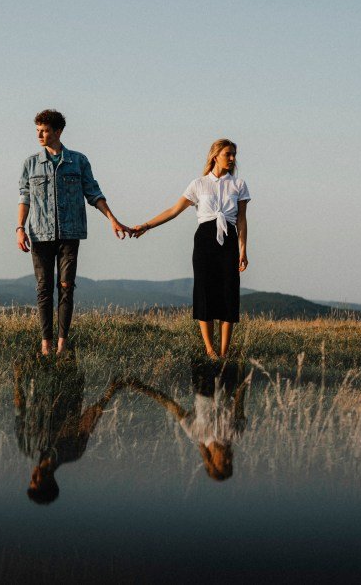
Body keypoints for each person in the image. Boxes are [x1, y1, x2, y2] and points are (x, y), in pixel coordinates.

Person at [17, 109, 133, 355]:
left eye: (45, 130)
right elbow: (24, 198)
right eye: (37, 130)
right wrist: (19, 228)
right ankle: (45, 343)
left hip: (70, 233)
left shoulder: (78, 161)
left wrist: (112, 219)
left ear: (57, 132)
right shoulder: (30, 163)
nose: (40, 134)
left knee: (66, 285)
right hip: (39, 234)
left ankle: (62, 343)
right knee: (44, 287)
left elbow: (94, 193)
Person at [133, 139, 250, 358]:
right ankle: (210, 350)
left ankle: (224, 353)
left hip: (229, 239)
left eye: (234, 154)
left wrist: (243, 250)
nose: (233, 158)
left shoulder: (239, 184)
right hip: (205, 239)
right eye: (228, 154)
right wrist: (147, 225)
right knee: (205, 291)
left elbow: (242, 220)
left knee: (229, 293)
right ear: (215, 156)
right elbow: (173, 210)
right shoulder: (198, 184)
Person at [13, 353, 123, 504]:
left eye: (30, 480)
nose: (32, 476)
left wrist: (18, 377)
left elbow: (19, 409)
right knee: (65, 343)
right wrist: (111, 391)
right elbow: (90, 419)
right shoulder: (73, 452)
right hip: (68, 383)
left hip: (38, 378)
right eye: (36, 481)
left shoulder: (26, 446)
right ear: (50, 482)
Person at [124, 358, 250, 481]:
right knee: (228, 349)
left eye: (225, 465)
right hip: (227, 383)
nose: (229, 460)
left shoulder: (196, 434)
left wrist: (141, 387)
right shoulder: (236, 434)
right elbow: (240, 397)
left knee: (200, 349)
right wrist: (242, 365)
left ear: (212, 461)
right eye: (230, 464)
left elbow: (171, 405)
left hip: (203, 384)